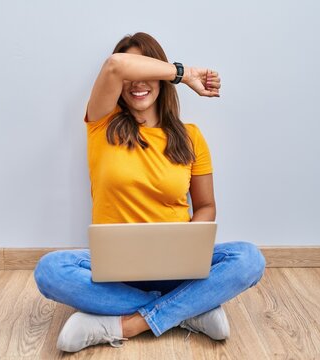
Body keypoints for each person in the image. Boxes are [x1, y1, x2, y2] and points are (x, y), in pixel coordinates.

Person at [33, 32, 266, 353]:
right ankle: (189, 311)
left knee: (249, 258)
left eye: (145, 73)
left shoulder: (191, 137)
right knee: (50, 270)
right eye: (133, 75)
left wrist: (189, 248)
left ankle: (120, 324)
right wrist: (184, 74)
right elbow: (115, 65)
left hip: (176, 267)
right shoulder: (101, 124)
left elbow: (206, 205)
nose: (136, 82)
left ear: (159, 80)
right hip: (113, 272)